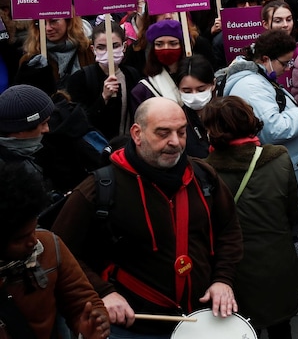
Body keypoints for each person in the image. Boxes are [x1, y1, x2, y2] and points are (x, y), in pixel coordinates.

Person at [52, 98, 244, 338]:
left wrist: (223, 279)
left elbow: (228, 230)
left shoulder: (204, 177)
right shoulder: (98, 189)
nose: (175, 142)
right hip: (135, 329)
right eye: (163, 133)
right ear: (137, 133)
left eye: (181, 132)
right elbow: (59, 252)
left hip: (202, 321)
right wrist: (101, 292)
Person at [202, 95, 298, 339]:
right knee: (281, 328)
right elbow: (291, 210)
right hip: (277, 261)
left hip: (230, 269)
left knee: (241, 330)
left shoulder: (203, 171)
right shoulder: (280, 158)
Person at [221, 29, 298, 261]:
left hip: (285, 164)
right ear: (265, 60)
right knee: (278, 232)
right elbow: (275, 129)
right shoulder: (252, 86)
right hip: (277, 169)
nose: (288, 68)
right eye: (284, 63)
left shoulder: (261, 79)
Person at [0, 162, 110, 339]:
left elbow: (81, 301)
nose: (33, 241)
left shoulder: (49, 246)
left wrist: (93, 324)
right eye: (20, 239)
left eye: (34, 230)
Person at [65, 20, 142, 139]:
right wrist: (103, 98)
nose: (109, 52)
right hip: (96, 149)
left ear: (124, 46)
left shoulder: (132, 74)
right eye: (101, 47)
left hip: (127, 145)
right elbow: (79, 121)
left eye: (115, 46)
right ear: (93, 49)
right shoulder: (80, 78)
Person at [128, 19, 187, 106]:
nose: (166, 48)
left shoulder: (196, 78)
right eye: (159, 44)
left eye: (173, 43)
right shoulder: (143, 90)